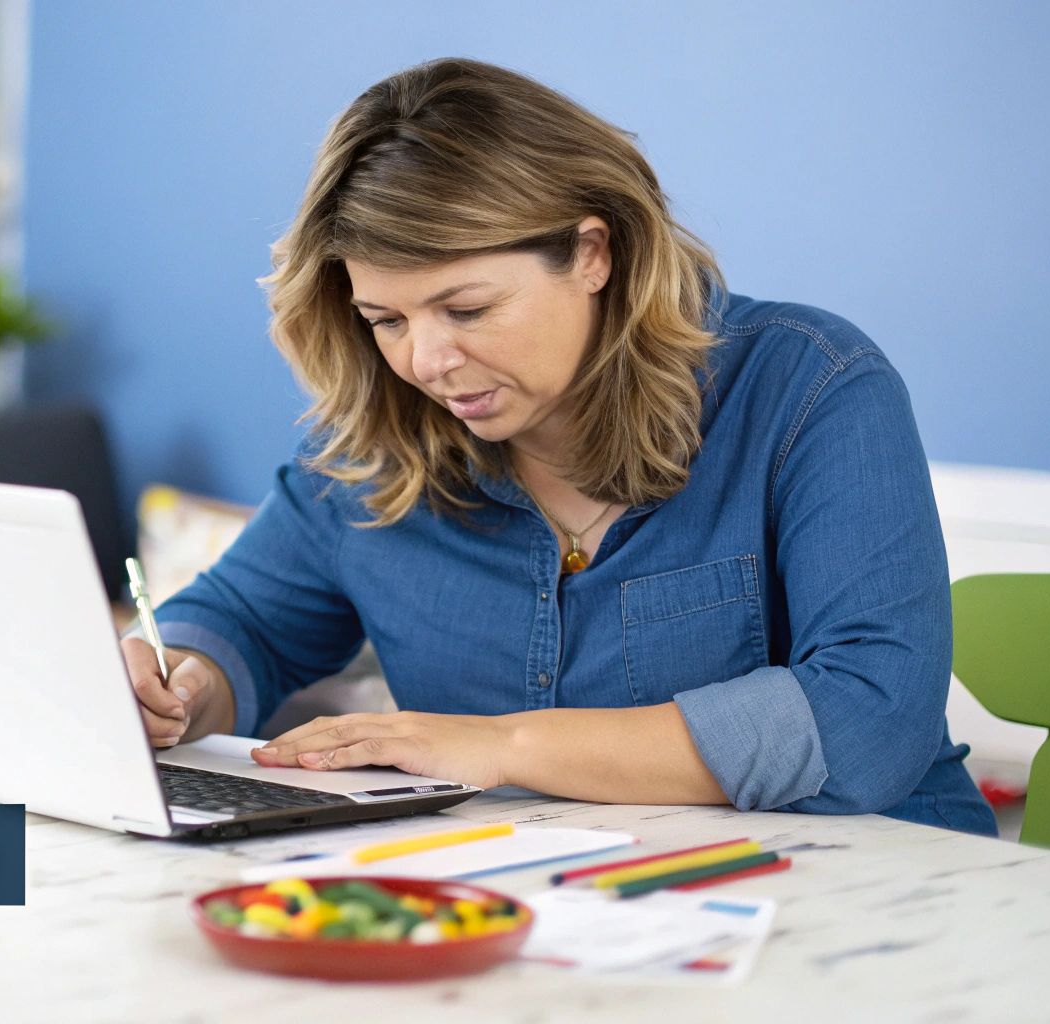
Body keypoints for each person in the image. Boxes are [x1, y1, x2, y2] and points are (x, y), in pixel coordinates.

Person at [120, 58, 996, 835]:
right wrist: (180, 685)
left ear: (591, 253)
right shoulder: (379, 449)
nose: (425, 361)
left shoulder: (813, 388)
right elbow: (242, 626)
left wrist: (501, 746)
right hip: (545, 906)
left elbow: (869, 719)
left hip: (868, 898)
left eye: (466, 309)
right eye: (386, 319)